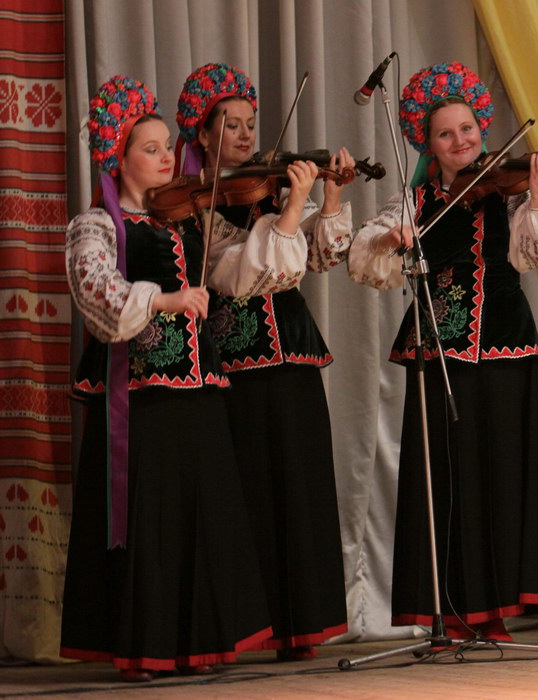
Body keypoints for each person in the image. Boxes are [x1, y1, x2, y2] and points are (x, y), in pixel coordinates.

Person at [60, 75, 276, 682]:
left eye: (165, 147)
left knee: (202, 510)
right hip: (142, 395)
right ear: (120, 159)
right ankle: (147, 646)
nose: (165, 157)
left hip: (198, 388)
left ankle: (196, 642)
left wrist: (296, 209)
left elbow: (242, 267)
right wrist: (163, 299)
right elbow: (98, 292)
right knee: (151, 517)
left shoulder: (189, 218)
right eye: (150, 149)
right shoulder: (97, 225)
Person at [348, 61, 538, 644]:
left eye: (467, 128)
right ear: (428, 143)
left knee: (502, 472)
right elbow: (364, 258)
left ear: (481, 127)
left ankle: (499, 607)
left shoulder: (508, 193)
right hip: (439, 347)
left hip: (504, 344)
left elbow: (535, 254)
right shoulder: (414, 199)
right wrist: (391, 239)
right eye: (445, 134)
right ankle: (457, 610)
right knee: (448, 475)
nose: (460, 141)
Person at [175, 63, 351, 660]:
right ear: (203, 134)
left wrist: (328, 198)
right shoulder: (194, 203)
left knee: (300, 487)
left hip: (294, 354)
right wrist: (291, 208)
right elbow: (243, 277)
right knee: (248, 491)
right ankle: (248, 627)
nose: (247, 134)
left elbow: (320, 259)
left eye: (251, 123)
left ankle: (302, 626)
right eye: (231, 124)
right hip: (237, 359)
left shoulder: (269, 187)